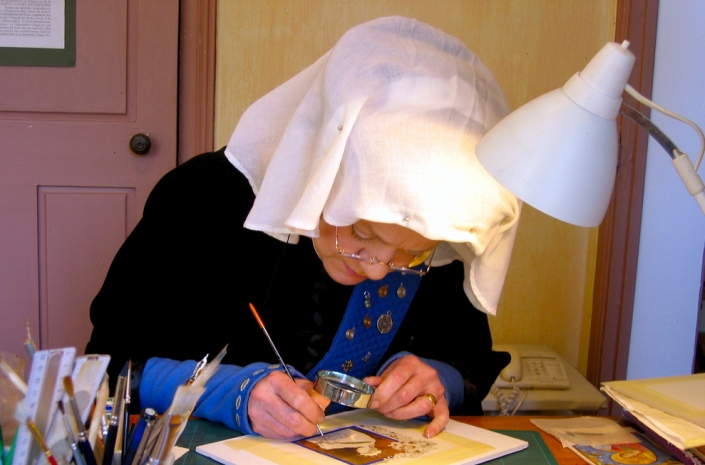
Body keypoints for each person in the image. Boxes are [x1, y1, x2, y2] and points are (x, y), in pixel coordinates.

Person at [85, 16, 520, 440]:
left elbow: (470, 361)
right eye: (364, 236)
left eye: (413, 255)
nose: (377, 271)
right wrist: (225, 392)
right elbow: (107, 368)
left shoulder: (436, 222)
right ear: (320, 170)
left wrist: (435, 380)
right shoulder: (204, 199)